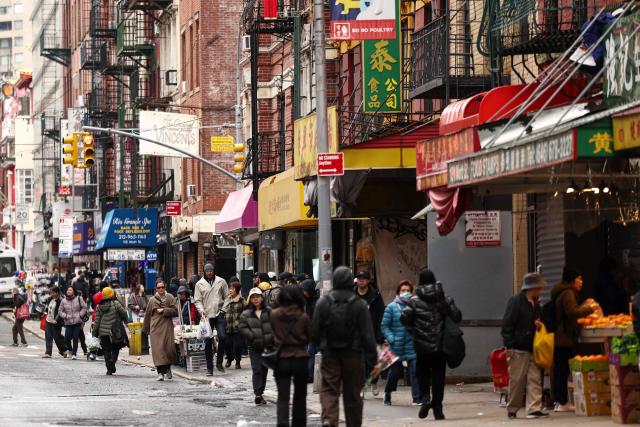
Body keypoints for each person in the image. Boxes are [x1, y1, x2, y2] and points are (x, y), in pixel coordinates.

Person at [312, 266, 380, 427]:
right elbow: (368, 335)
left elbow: (314, 332)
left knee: (329, 388)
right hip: (354, 355)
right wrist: (373, 361)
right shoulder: (359, 304)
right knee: (353, 394)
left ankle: (329, 418)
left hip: (330, 354)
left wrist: (322, 346)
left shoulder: (323, 303)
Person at [401, 268, 461, 420]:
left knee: (422, 373)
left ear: (420, 282)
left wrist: (414, 327)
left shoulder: (414, 301)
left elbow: (404, 319)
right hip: (440, 346)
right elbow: (457, 316)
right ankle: (438, 409)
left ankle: (425, 398)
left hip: (421, 346)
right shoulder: (444, 298)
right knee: (438, 377)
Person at [501, 273, 548, 419]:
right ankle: (512, 408)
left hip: (533, 346)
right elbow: (507, 324)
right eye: (539, 287)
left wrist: (538, 324)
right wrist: (510, 346)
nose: (541, 290)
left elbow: (536, 320)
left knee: (534, 378)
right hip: (518, 348)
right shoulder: (516, 301)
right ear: (532, 288)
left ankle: (534, 408)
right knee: (517, 379)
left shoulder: (535, 303)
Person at [551, 268, 596, 412]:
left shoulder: (561, 292)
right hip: (564, 338)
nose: (581, 282)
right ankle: (562, 402)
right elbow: (572, 312)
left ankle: (559, 401)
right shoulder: (568, 293)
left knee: (560, 370)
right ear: (572, 280)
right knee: (563, 370)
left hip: (559, 337)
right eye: (579, 279)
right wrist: (589, 309)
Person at [271, 285, 311, 427]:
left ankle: (282, 424)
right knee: (300, 396)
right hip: (300, 358)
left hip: (282, 359)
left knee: (283, 396)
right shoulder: (303, 316)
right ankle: (299, 424)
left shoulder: (274, 315)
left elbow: (271, 336)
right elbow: (308, 337)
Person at [381, 280, 420, 406]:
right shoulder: (391, 307)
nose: (406, 293)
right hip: (396, 345)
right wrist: (392, 338)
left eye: (408, 290)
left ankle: (417, 398)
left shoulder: (415, 306)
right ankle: (388, 393)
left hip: (411, 345)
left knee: (415, 371)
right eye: (403, 290)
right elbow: (384, 326)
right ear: (398, 292)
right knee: (394, 374)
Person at [194, 262, 230, 375]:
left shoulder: (221, 281)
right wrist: (201, 311)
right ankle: (210, 368)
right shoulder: (199, 284)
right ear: (204, 271)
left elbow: (227, 296)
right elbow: (197, 300)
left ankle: (219, 362)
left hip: (219, 313)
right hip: (207, 316)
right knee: (208, 341)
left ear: (214, 271)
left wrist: (223, 310)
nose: (209, 272)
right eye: (207, 270)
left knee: (223, 337)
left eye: (211, 270)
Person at [239, 287, 273, 405]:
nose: (255, 299)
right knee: (257, 369)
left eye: (257, 297)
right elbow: (242, 328)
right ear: (250, 299)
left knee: (264, 370)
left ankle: (261, 392)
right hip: (254, 346)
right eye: (253, 297)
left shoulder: (269, 311)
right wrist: (252, 335)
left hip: (268, 346)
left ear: (261, 298)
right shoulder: (246, 314)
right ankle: (257, 394)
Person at [354, 270, 385, 396]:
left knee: (373, 362)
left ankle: (373, 382)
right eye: (359, 278)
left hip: (372, 334)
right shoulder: (352, 294)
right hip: (357, 335)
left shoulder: (375, 295)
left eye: (364, 278)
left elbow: (381, 315)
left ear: (368, 281)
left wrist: (380, 336)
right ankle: (361, 387)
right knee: (359, 363)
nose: (361, 280)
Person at [143, 280, 179, 381]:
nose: (161, 289)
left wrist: (164, 310)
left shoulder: (170, 298)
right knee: (158, 351)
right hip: (155, 328)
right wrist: (145, 330)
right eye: (159, 288)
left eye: (162, 287)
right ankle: (160, 373)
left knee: (168, 349)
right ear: (156, 289)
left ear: (165, 287)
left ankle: (168, 368)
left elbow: (176, 311)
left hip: (167, 327)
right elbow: (147, 315)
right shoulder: (152, 300)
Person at [93, 287, 128, 375]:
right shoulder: (116, 304)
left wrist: (94, 333)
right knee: (116, 347)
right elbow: (124, 313)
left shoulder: (99, 306)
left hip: (103, 333)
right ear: (111, 294)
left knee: (106, 350)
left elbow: (97, 321)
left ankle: (109, 369)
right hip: (115, 332)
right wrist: (125, 321)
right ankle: (113, 360)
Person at [58, 286, 88, 360]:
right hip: (68, 322)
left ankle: (74, 353)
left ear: (73, 291)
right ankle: (70, 350)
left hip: (77, 322)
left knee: (75, 338)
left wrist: (80, 315)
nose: (69, 291)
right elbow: (60, 311)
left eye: (70, 290)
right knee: (67, 338)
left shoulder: (79, 298)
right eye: (68, 290)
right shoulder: (63, 301)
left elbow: (84, 307)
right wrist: (65, 316)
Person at [301, 278, 319, 383]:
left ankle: (310, 375)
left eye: (305, 290)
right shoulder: (306, 301)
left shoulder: (316, 301)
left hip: (314, 331)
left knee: (310, 351)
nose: (304, 292)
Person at [225, 281, 246, 369]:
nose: (230, 290)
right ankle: (229, 359)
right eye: (229, 288)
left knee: (237, 346)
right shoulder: (227, 300)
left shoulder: (242, 300)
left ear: (237, 290)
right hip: (228, 326)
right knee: (227, 345)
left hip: (238, 327)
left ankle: (238, 362)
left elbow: (246, 311)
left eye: (232, 288)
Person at [43, 286, 67, 358]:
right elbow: (47, 308)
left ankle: (64, 350)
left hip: (56, 322)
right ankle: (48, 352)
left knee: (57, 337)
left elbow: (60, 312)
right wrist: (45, 311)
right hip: (48, 320)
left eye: (53, 293)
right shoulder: (49, 299)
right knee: (48, 337)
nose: (51, 294)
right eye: (51, 292)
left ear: (57, 293)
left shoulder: (61, 300)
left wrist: (56, 320)